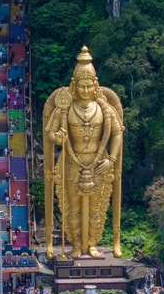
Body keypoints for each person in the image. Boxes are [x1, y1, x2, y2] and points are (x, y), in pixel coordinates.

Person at [43, 47, 124, 258]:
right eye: (82, 86)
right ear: (74, 85)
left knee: (96, 207)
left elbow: (117, 133)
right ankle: (77, 244)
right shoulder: (66, 108)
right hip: (72, 161)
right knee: (73, 208)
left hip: (99, 162)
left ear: (95, 85)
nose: (86, 91)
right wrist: (58, 137)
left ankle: (93, 243)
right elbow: (50, 133)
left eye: (89, 86)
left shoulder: (104, 108)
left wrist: (112, 159)